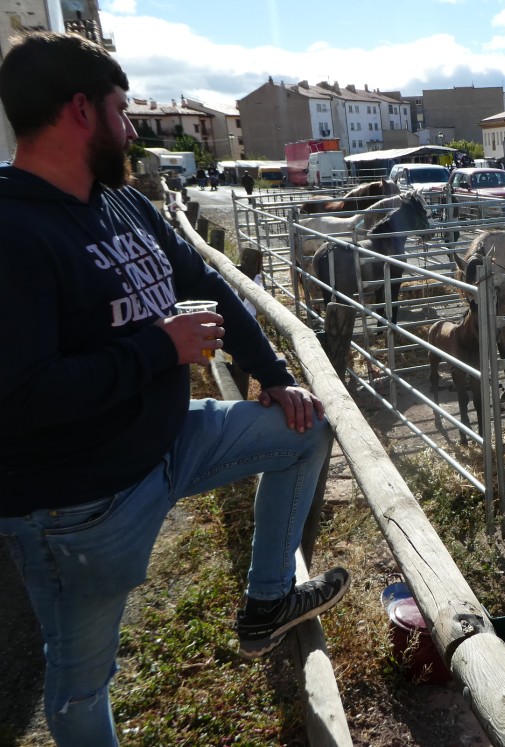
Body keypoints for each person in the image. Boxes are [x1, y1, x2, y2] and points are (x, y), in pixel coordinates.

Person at [0, 33, 348, 746]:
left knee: (305, 427)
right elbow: (22, 394)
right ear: (78, 111)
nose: (131, 128)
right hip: (79, 505)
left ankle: (266, 602)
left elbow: (208, 282)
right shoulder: (12, 231)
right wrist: (160, 346)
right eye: (121, 111)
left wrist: (276, 378)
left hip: (170, 440)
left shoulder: (122, 203)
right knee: (78, 683)